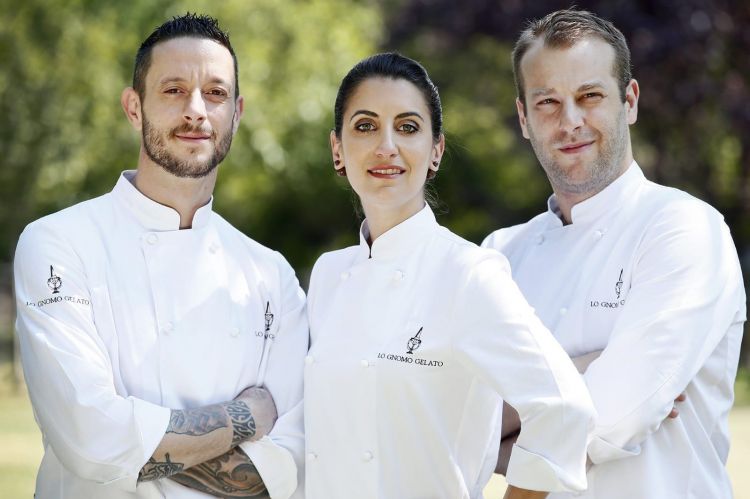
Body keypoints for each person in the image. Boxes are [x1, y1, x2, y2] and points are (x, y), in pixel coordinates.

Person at [14, 13, 307, 498]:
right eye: (174, 90)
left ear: (236, 113)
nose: (196, 111)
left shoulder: (270, 274)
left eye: (215, 93)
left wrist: (131, 445)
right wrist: (248, 416)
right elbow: (88, 442)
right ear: (134, 108)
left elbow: (289, 464)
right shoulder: (58, 245)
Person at [304, 52, 595, 499]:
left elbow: (563, 407)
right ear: (337, 149)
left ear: (435, 150)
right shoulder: (329, 273)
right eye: (365, 126)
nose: (386, 146)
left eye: (407, 127)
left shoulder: (467, 273)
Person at [483, 8, 746, 499]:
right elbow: (447, 421)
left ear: (629, 101)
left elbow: (613, 418)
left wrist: (497, 430)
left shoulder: (685, 229)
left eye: (590, 96)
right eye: (547, 102)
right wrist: (585, 371)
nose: (570, 121)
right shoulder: (499, 256)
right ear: (523, 118)